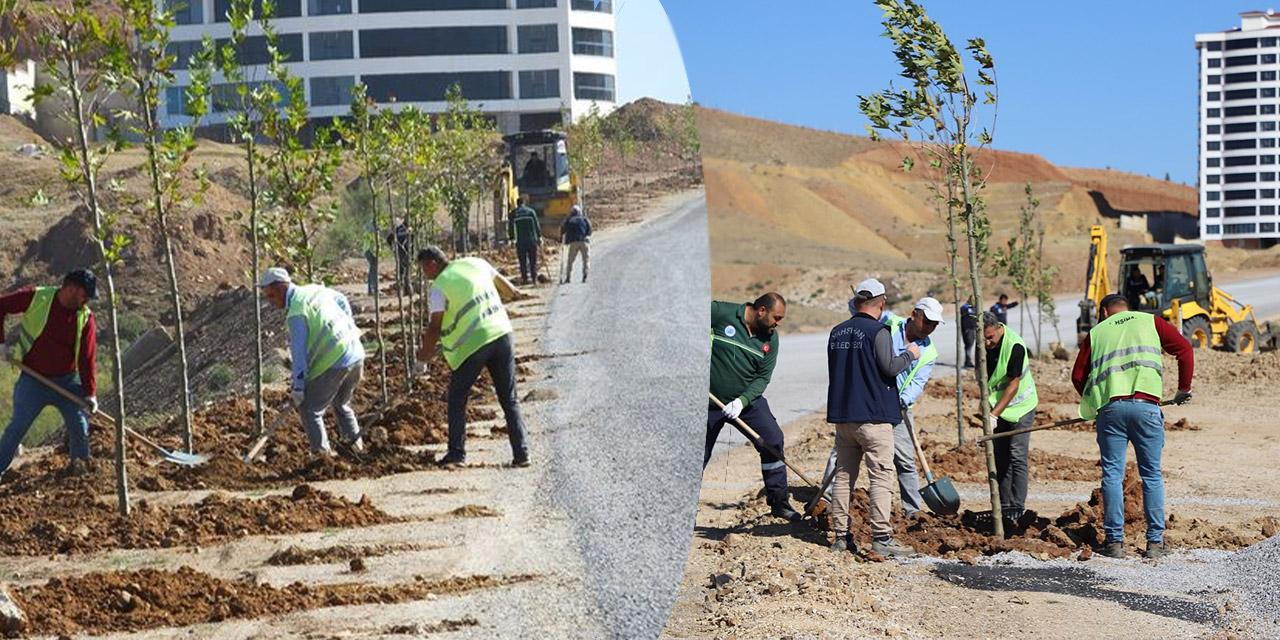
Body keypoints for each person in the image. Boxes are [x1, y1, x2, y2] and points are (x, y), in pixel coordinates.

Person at [1072, 294, 1193, 559]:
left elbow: (1078, 375)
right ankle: (1155, 543)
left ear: (1104, 312)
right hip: (1146, 407)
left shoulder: (1097, 332)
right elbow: (1184, 349)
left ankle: (1115, 543)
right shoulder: (1152, 322)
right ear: (1127, 308)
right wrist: (1183, 388)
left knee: (1112, 476)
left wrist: (1094, 401)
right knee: (1151, 475)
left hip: (1111, 410)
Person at [816, 297, 942, 519]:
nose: (929, 328)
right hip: (866, 401)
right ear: (915, 314)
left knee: (904, 460)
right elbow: (864, 312)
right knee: (843, 454)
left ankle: (912, 509)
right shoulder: (890, 323)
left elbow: (916, 384)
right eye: (927, 321)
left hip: (898, 408)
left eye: (934, 324)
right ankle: (826, 499)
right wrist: (862, 297)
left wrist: (898, 402)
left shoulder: (928, 352)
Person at [826, 279, 919, 557]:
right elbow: (889, 367)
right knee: (881, 475)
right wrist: (910, 355)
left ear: (856, 302)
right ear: (882, 303)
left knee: (843, 476)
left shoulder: (837, 332)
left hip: (844, 417)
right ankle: (881, 537)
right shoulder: (879, 331)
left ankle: (840, 537)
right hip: (874, 418)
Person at [415, 246, 529, 467]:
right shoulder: (476, 263)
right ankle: (522, 454)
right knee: (509, 399)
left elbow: (434, 327)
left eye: (423, 269)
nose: (424, 275)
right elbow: (509, 290)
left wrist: (423, 358)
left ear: (432, 264)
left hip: (472, 346)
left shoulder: (439, 288)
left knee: (457, 399)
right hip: (502, 334)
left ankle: (457, 454)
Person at [705, 292, 801, 521]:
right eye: (776, 317)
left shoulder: (771, 339)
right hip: (709, 402)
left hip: (746, 403)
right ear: (761, 311)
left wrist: (742, 401)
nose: (778, 323)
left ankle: (779, 502)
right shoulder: (721, 313)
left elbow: (762, 378)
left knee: (772, 440)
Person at [0, 270, 98, 478]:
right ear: (72, 289)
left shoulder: (85, 317)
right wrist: (1, 344)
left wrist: (90, 393)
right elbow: (1, 305)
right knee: (17, 428)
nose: (87, 301)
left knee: (79, 427)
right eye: (85, 295)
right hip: (33, 380)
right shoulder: (38, 297)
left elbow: (87, 357)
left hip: (66, 382)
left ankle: (79, 476)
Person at [258, 268, 366, 458]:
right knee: (341, 404)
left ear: (282, 287)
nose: (271, 301)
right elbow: (341, 299)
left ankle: (321, 457)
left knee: (309, 409)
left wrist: (299, 387)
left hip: (334, 361)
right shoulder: (315, 290)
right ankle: (356, 448)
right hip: (355, 352)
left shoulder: (296, 313)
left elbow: (299, 354)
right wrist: (348, 326)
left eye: (272, 296)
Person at [981, 310, 1038, 526]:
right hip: (998, 408)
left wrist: (994, 414)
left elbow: (1013, 384)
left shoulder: (1015, 345)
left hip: (1021, 407)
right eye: (983, 338)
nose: (987, 343)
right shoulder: (984, 348)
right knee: (1000, 456)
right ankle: (1004, 508)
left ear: (998, 328)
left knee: (1017, 455)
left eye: (990, 337)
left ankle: (1017, 506)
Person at [508, 196, 541, 286]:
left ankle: (525, 279)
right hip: (532, 240)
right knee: (533, 260)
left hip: (520, 242)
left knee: (522, 261)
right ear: (524, 203)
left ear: (517, 204)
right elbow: (536, 224)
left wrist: (511, 239)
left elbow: (511, 227)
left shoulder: (513, 214)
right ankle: (534, 279)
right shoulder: (531, 212)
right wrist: (539, 237)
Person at [560, 204, 592, 283]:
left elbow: (563, 229)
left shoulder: (569, 220)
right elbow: (590, 230)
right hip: (584, 241)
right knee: (586, 260)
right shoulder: (584, 219)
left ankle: (568, 277)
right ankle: (585, 275)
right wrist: (586, 235)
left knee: (570, 261)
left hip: (573, 243)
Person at [386, 220, 414, 295]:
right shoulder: (408, 230)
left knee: (402, 272)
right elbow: (389, 238)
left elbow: (389, 238)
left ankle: (404, 291)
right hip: (405, 254)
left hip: (401, 253)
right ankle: (405, 291)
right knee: (406, 272)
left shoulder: (398, 229)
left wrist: (392, 247)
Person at [362, 221, 381, 296]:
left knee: (372, 270)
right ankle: (373, 289)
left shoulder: (368, 229)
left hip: (368, 250)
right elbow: (374, 243)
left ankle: (372, 289)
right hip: (371, 251)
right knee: (373, 271)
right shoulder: (373, 231)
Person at [960, 297, 978, 368]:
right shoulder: (965, 307)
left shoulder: (975, 308)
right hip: (967, 329)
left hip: (973, 328)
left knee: (971, 345)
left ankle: (969, 361)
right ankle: (967, 361)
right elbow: (962, 310)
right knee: (968, 345)